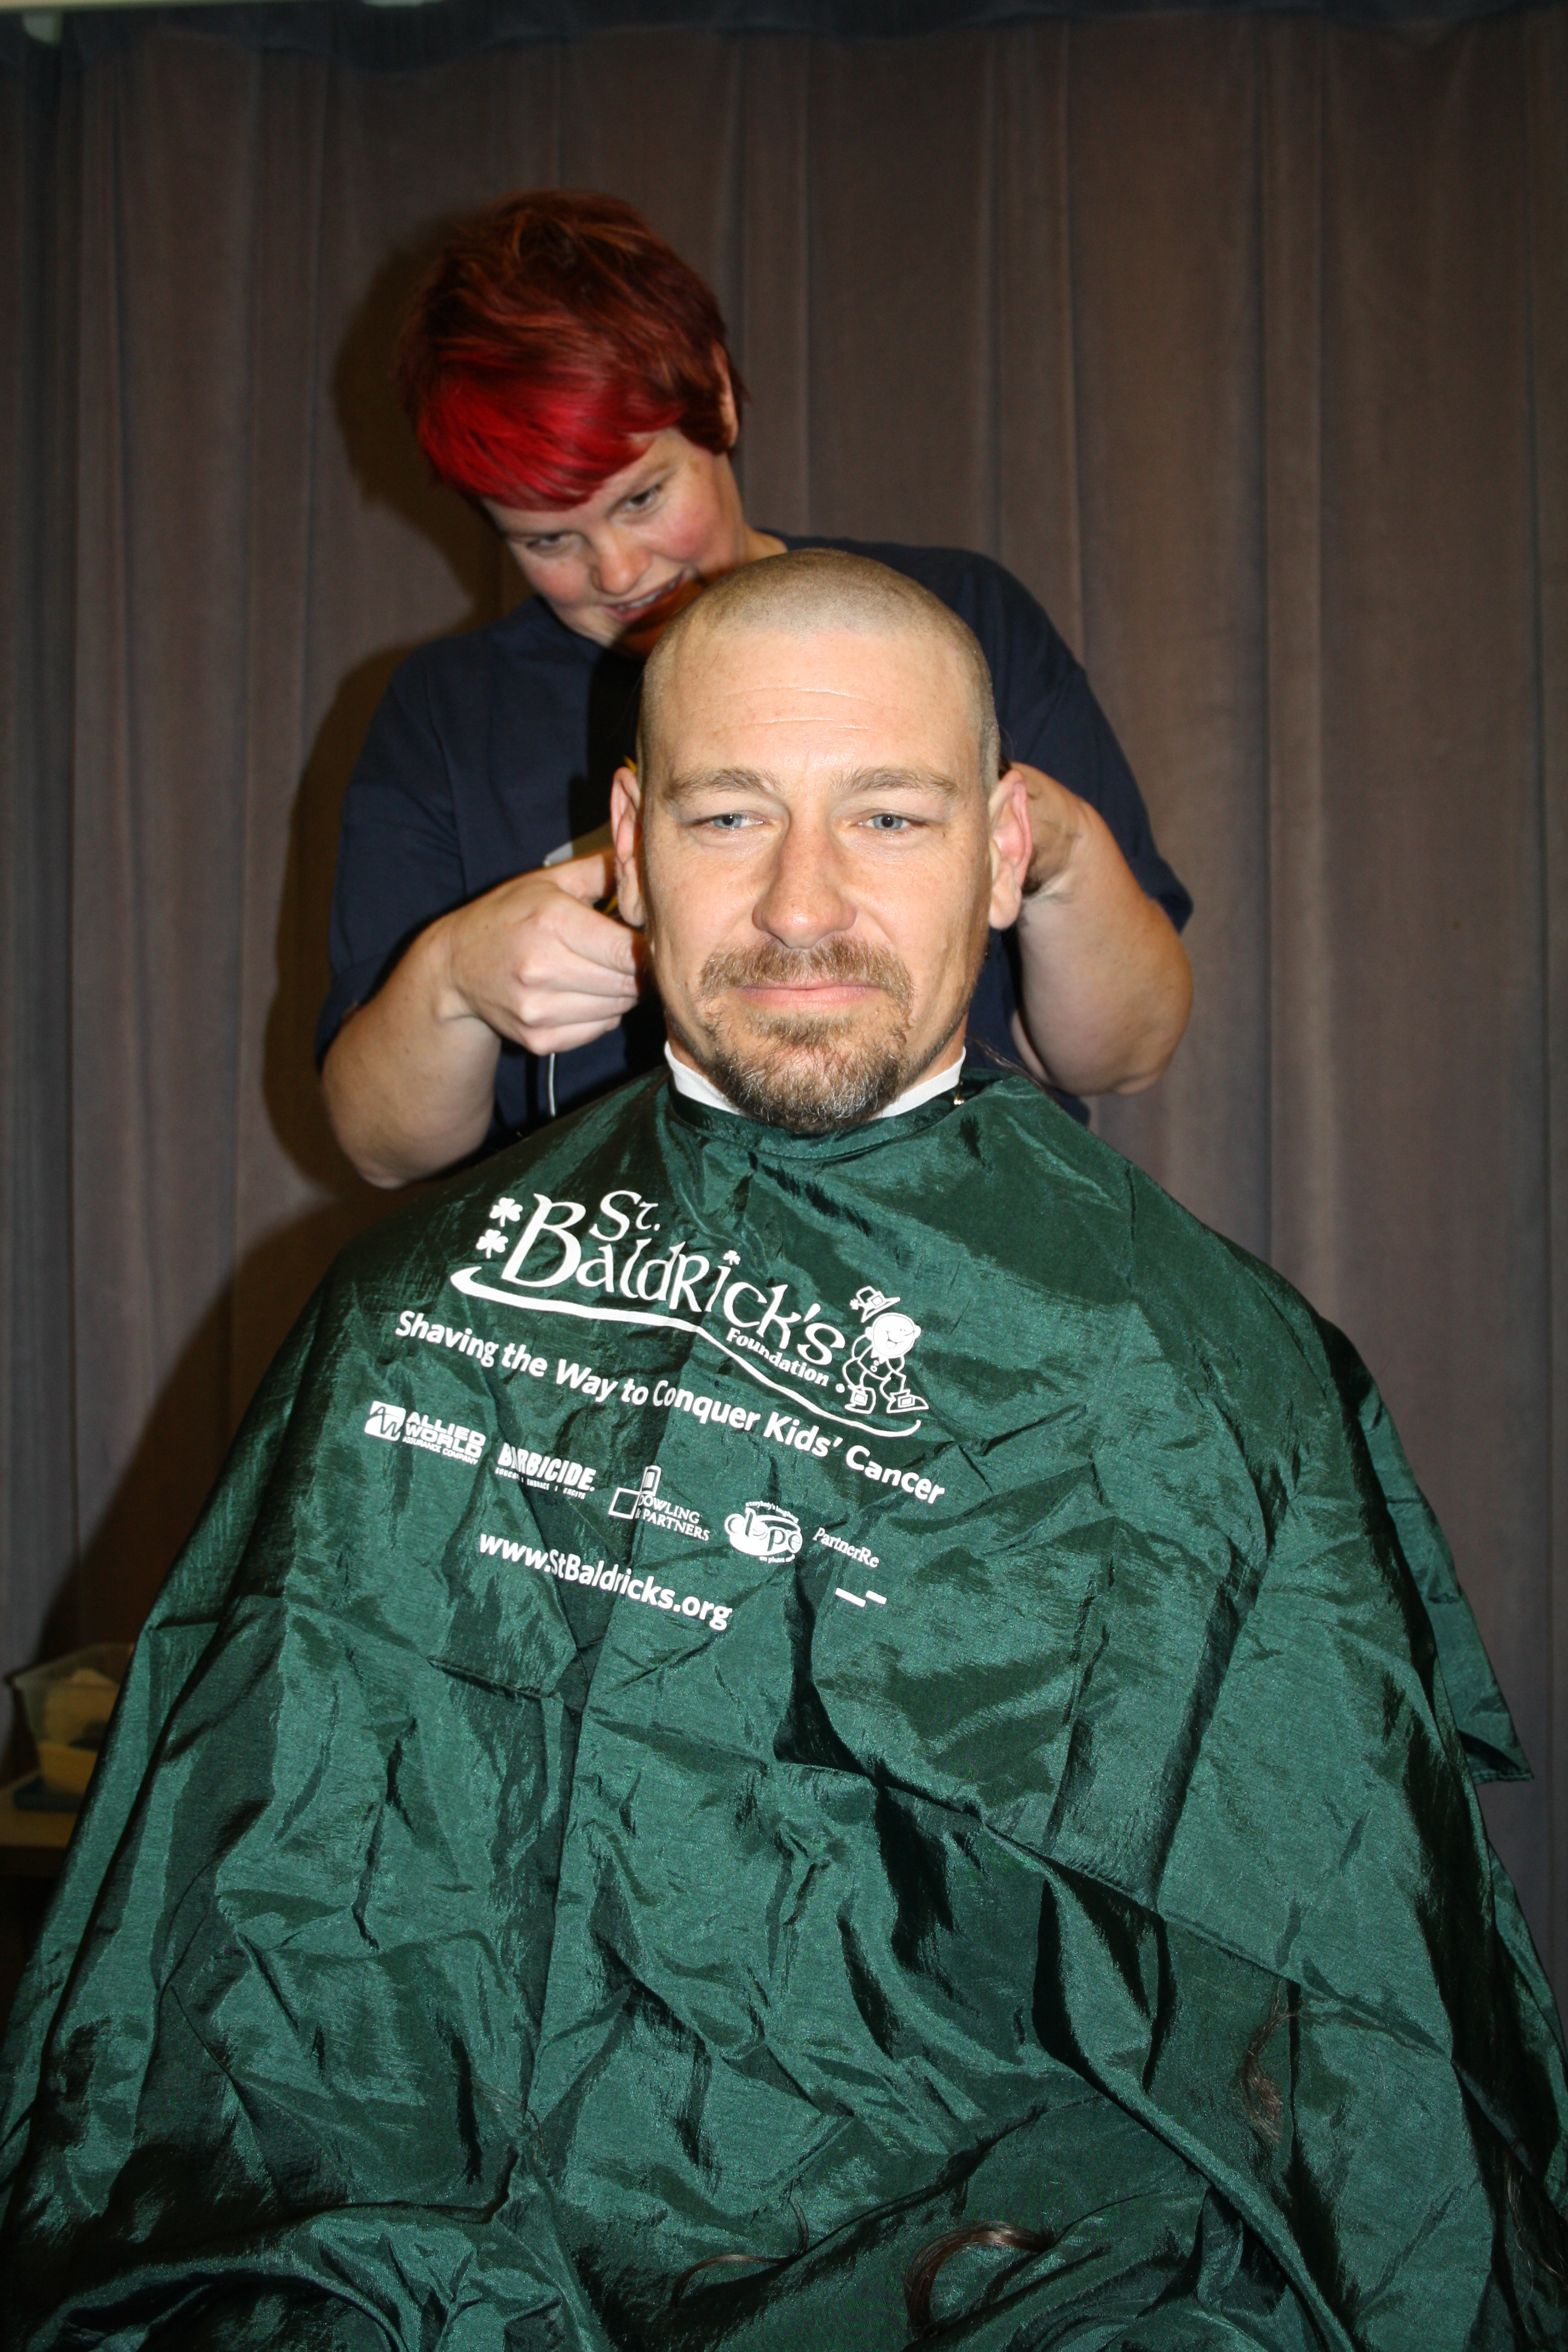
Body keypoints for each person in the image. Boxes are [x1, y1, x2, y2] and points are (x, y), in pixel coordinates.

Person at [3, 553, 1563, 2348]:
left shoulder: (1197, 1375)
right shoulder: (408, 1305)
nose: (801, 905)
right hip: (385, 2234)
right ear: (628, 844)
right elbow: (217, 1970)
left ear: (1003, 853)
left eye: (887, 818)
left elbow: (1343, 2054)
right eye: (730, 815)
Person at [319, 191, 1193, 1188]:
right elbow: (381, 1147)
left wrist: (1056, 846)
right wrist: (453, 982)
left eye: (643, 498)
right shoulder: (445, 715)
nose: (618, 572)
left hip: (959, 1254)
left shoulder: (958, 625)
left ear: (721, 406)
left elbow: (1124, 1056)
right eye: (548, 540)